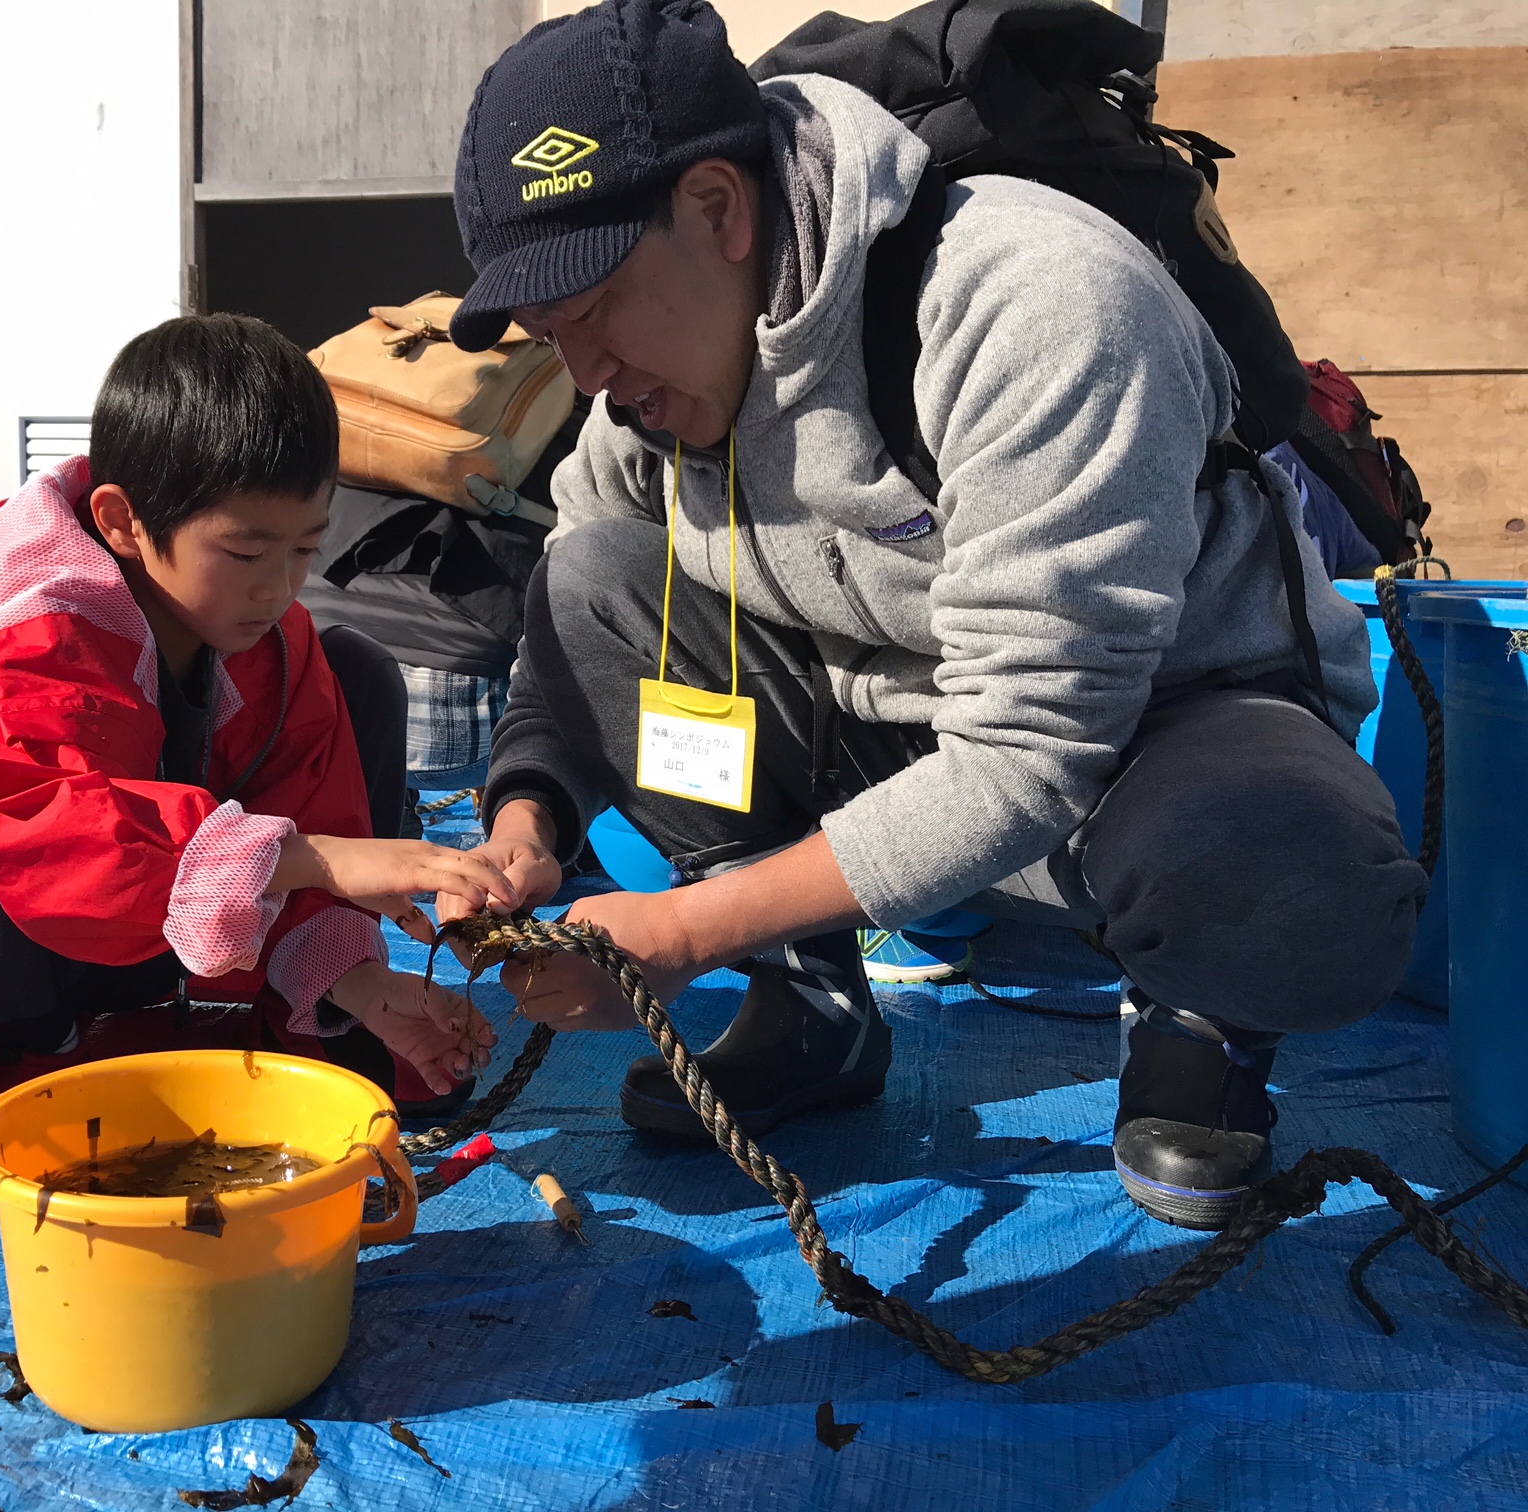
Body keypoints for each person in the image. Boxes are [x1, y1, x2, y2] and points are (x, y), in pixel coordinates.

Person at [431, 0, 1426, 1229]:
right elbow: (571, 615)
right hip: (886, 723)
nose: (584, 374)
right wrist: (526, 820)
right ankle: (811, 1004)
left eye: (594, 312)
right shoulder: (652, 379)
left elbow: (1027, 753)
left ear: (718, 209)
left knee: (1297, 882)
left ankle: (1199, 1018)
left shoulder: (1034, 307)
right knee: (596, 579)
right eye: (547, 335)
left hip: (1150, 736)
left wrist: (683, 930)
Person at [0, 315, 511, 1120]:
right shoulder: (43, 631)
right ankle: (45, 1055)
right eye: (248, 554)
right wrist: (322, 860)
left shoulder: (278, 641)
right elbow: (69, 847)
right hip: (19, 976)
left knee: (356, 669)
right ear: (121, 522)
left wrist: (366, 988)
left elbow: (314, 803)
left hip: (164, 955)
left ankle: (308, 1015)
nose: (279, 588)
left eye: (306, 549)